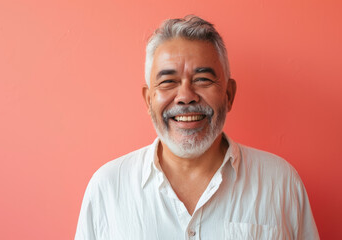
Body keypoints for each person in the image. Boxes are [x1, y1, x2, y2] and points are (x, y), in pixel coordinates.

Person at [75, 15, 319, 240]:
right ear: (148, 100)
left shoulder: (280, 182)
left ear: (229, 94)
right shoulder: (107, 187)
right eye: (168, 81)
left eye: (202, 79)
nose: (186, 96)